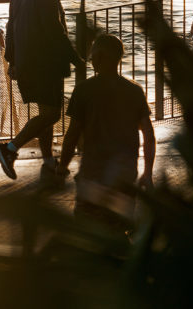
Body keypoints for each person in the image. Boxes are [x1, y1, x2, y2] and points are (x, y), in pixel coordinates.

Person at [0, 0, 85, 180]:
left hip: (27, 64)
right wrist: (77, 59)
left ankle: (47, 160)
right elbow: (57, 34)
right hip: (45, 65)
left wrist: (12, 61)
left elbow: (11, 30)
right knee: (52, 114)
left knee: (45, 112)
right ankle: (10, 149)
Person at [56, 34, 155, 233]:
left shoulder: (84, 90)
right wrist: (147, 173)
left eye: (92, 55)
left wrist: (62, 168)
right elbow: (149, 135)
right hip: (125, 176)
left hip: (93, 175)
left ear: (100, 57)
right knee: (119, 228)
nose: (91, 59)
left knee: (87, 231)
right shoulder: (134, 91)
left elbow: (72, 135)